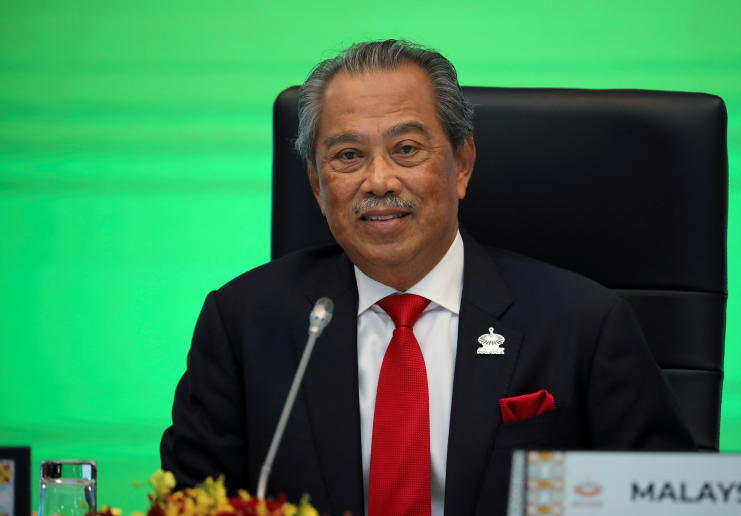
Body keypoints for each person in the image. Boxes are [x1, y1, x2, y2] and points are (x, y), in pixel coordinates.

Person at [161, 40, 696, 516]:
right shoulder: (244, 324)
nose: (379, 180)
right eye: (348, 156)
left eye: (407, 150)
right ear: (317, 184)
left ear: (461, 165)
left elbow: (668, 501)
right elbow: (189, 503)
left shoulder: (584, 323)